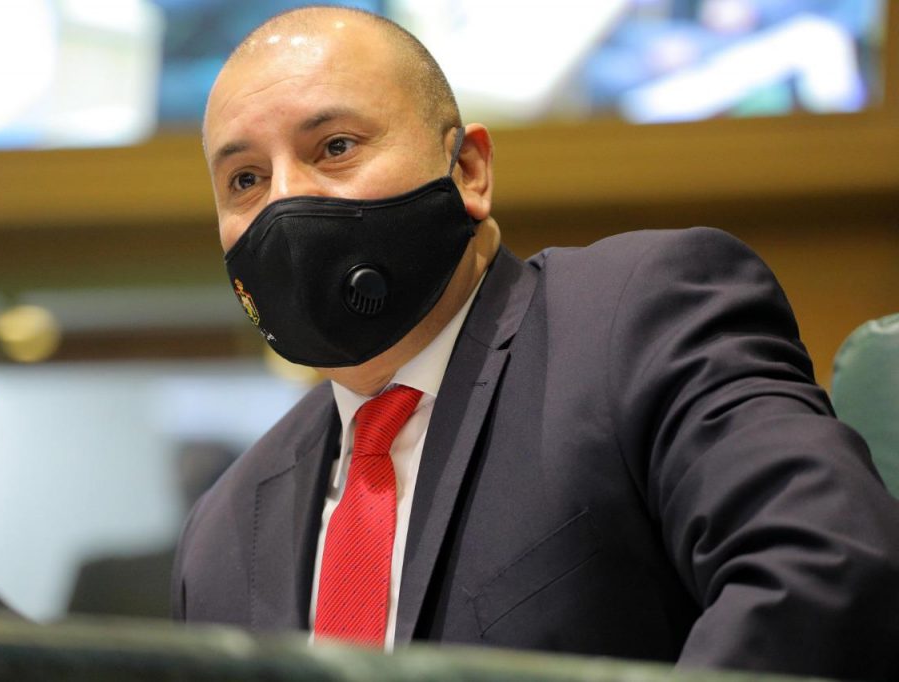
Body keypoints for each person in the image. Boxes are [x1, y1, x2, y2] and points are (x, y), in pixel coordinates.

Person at [172, 6, 899, 680]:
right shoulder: (219, 534)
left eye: (335, 147)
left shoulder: (638, 317)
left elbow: (823, 565)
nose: (285, 199)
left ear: (468, 170)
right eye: (244, 179)